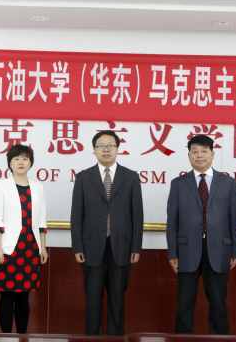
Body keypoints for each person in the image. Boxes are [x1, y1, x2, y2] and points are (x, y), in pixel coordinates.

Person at [70, 130, 144, 336]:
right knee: (92, 301)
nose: (106, 149)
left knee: (117, 301)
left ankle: (115, 339)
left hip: (122, 247)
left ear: (118, 149)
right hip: (91, 248)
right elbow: (76, 215)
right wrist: (77, 246)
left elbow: (137, 215)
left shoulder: (131, 177)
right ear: (94, 150)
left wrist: (136, 247)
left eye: (110, 145)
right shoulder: (84, 177)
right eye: (101, 146)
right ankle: (92, 340)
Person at [166, 134, 236, 335]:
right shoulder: (178, 183)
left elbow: (235, 220)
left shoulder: (228, 183)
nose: (199, 155)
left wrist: (235, 251)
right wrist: (173, 253)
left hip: (219, 250)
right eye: (195, 151)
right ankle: (181, 340)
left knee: (218, 304)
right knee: (184, 304)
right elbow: (172, 222)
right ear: (189, 155)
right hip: (187, 250)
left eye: (204, 151)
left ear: (212, 154)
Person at [0, 144, 48, 333]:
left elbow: (41, 220)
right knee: (7, 296)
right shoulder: (1, 186)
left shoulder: (38, 187)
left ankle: (22, 336)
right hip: (8, 249)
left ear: (31, 162)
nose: (21, 162)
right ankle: (6, 336)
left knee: (24, 297)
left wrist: (43, 247)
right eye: (16, 159)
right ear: (10, 163)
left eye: (25, 158)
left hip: (30, 247)